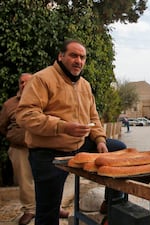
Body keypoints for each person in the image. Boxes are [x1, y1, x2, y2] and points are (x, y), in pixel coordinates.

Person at [15, 39, 127, 225]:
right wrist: (63, 126)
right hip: (48, 152)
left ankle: (111, 203)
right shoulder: (42, 79)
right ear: (60, 56)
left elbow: (94, 117)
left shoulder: (85, 85)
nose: (79, 61)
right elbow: (25, 115)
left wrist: (99, 139)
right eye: (73, 55)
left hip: (80, 145)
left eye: (82, 57)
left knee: (118, 149)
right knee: (48, 212)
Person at [0, 73, 70, 225]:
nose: (24, 85)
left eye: (28, 81)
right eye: (21, 82)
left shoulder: (45, 99)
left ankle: (55, 207)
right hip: (20, 149)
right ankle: (29, 210)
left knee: (53, 178)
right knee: (25, 181)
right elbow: (3, 126)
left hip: (45, 147)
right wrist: (15, 137)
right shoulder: (9, 104)